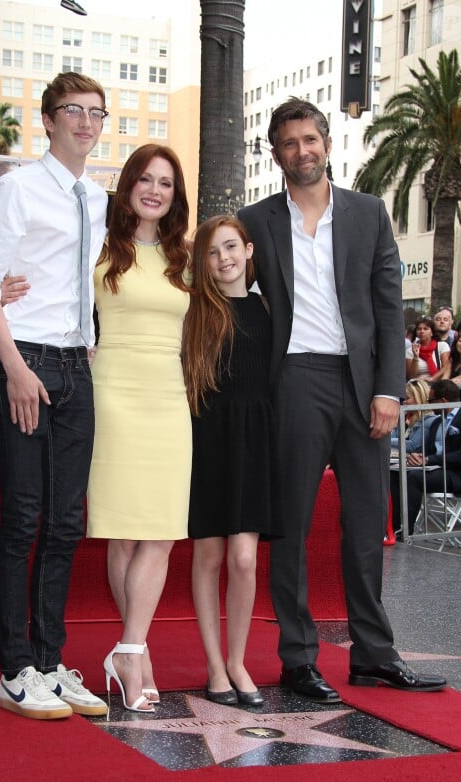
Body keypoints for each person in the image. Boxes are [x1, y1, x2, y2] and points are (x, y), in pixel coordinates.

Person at [238, 97, 446, 700]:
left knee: (364, 525)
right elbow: (228, 292)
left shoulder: (368, 214)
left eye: (310, 139)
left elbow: (388, 310)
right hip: (294, 381)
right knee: (292, 526)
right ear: (276, 153)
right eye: (289, 143)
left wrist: (387, 390)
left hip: (362, 388)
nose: (301, 151)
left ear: (326, 143)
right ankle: (298, 658)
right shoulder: (256, 220)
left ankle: (373, 654)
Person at [0, 72, 109, 721]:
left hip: (77, 365)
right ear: (49, 120)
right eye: (73, 111)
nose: (85, 121)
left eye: (95, 113)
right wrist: (16, 368)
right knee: (24, 515)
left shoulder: (98, 200)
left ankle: (51, 662)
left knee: (67, 521)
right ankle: (16, 668)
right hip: (25, 361)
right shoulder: (19, 188)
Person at [87, 144, 192, 713]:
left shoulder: (185, 257)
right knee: (124, 530)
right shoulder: (99, 246)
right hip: (113, 395)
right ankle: (136, 654)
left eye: (167, 184)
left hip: (169, 398)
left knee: (161, 528)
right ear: (128, 185)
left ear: (176, 197)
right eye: (146, 179)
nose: (154, 190)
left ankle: (129, 647)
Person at [182, 216, 281, 707]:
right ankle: (214, 666)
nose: (223, 259)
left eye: (230, 247)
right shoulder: (194, 308)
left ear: (248, 248)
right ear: (202, 263)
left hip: (255, 440)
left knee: (244, 558)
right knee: (209, 555)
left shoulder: (268, 306)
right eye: (212, 252)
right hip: (206, 438)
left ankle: (239, 659)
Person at [390, 380, 461, 535]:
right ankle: (394, 527)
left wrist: (429, 460)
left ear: (443, 401)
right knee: (395, 474)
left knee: (415, 477)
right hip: (436, 470)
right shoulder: (437, 422)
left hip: (457, 474)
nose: (428, 404)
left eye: (430, 401)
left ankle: (406, 533)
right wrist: (419, 457)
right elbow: (430, 451)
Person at [405, 317, 449, 381]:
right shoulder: (410, 351)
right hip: (419, 386)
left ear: (432, 332)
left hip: (437, 383)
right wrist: (416, 357)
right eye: (419, 329)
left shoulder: (442, 346)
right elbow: (411, 376)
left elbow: (445, 368)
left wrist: (431, 379)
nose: (422, 331)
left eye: (425, 329)